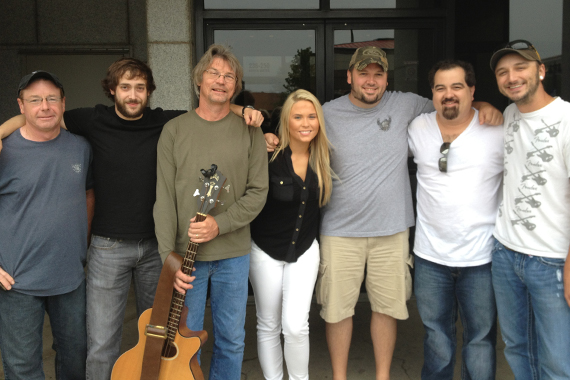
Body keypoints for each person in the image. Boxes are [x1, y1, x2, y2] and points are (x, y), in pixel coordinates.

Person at [0, 57, 263, 380]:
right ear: (112, 90)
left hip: (155, 248)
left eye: (140, 87)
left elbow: (212, 108)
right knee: (101, 343)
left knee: (158, 337)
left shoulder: (165, 123)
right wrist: (0, 132)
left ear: (149, 91)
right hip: (107, 248)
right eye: (125, 87)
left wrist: (246, 112)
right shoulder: (91, 120)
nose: (133, 94)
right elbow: (39, 117)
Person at [265, 46, 502, 380]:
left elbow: (451, 104)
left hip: (391, 231)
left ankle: (382, 376)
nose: (371, 80)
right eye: (363, 73)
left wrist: (483, 105)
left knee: (386, 309)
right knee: (336, 312)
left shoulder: (406, 104)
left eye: (378, 74)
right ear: (349, 77)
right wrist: (268, 136)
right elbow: (295, 128)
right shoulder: (326, 114)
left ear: (386, 78)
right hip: (339, 230)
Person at [153, 44, 268, 380]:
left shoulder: (251, 130)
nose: (221, 80)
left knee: (231, 339)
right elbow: (164, 200)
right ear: (198, 81)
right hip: (186, 260)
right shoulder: (174, 131)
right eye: (213, 73)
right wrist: (168, 260)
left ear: (236, 86)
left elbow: (259, 192)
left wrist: (220, 224)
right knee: (186, 340)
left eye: (229, 76)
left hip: (233, 255)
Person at [408, 60, 502, 380]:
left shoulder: (497, 129)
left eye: (457, 87)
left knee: (480, 340)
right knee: (437, 338)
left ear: (472, 91)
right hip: (430, 256)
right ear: (432, 94)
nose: (449, 95)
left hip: (482, 257)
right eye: (441, 88)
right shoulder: (417, 127)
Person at [0, 71, 94, 379]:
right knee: (22, 366)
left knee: (75, 357)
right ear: (21, 106)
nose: (45, 106)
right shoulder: (4, 151)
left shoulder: (81, 147)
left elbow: (88, 195)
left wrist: (83, 245)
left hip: (70, 277)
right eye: (35, 100)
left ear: (64, 103)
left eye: (52, 98)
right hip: (16, 281)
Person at [490, 39, 570, 380]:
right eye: (503, 72)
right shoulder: (509, 114)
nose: (512, 77)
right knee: (516, 347)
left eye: (520, 68)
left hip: (551, 260)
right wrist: (480, 102)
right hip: (505, 252)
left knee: (556, 360)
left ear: (541, 70)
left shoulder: (566, 119)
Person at [249, 89, 333, 380]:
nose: (305, 122)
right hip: (265, 251)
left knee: (296, 326)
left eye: (311, 116)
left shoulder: (324, 158)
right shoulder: (268, 155)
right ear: (286, 121)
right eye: (298, 116)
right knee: (268, 324)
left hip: (304, 250)